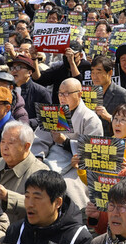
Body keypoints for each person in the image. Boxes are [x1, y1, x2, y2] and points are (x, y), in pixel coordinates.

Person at [31, 77, 102, 207]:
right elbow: (40, 139)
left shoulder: (90, 118)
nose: (62, 97)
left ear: (79, 94)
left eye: (66, 93)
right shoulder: (55, 113)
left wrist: (66, 142)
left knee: (68, 190)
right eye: (60, 93)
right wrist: (38, 157)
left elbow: (91, 152)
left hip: (76, 165)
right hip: (50, 158)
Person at [88, 55, 126, 136]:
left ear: (110, 73)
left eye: (99, 72)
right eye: (92, 72)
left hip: (111, 142)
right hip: (90, 140)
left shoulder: (122, 94)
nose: (94, 76)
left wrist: (109, 117)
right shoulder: (88, 93)